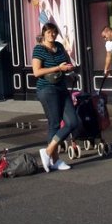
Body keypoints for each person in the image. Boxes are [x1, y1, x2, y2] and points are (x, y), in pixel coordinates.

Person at [32, 22, 79, 172]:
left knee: (72, 121)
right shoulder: (39, 49)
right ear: (43, 34)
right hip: (46, 89)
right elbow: (37, 72)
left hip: (61, 87)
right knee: (54, 124)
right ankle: (55, 160)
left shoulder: (59, 46)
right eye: (48, 33)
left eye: (54, 32)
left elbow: (67, 63)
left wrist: (69, 69)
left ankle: (48, 151)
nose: (52, 35)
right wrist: (58, 68)